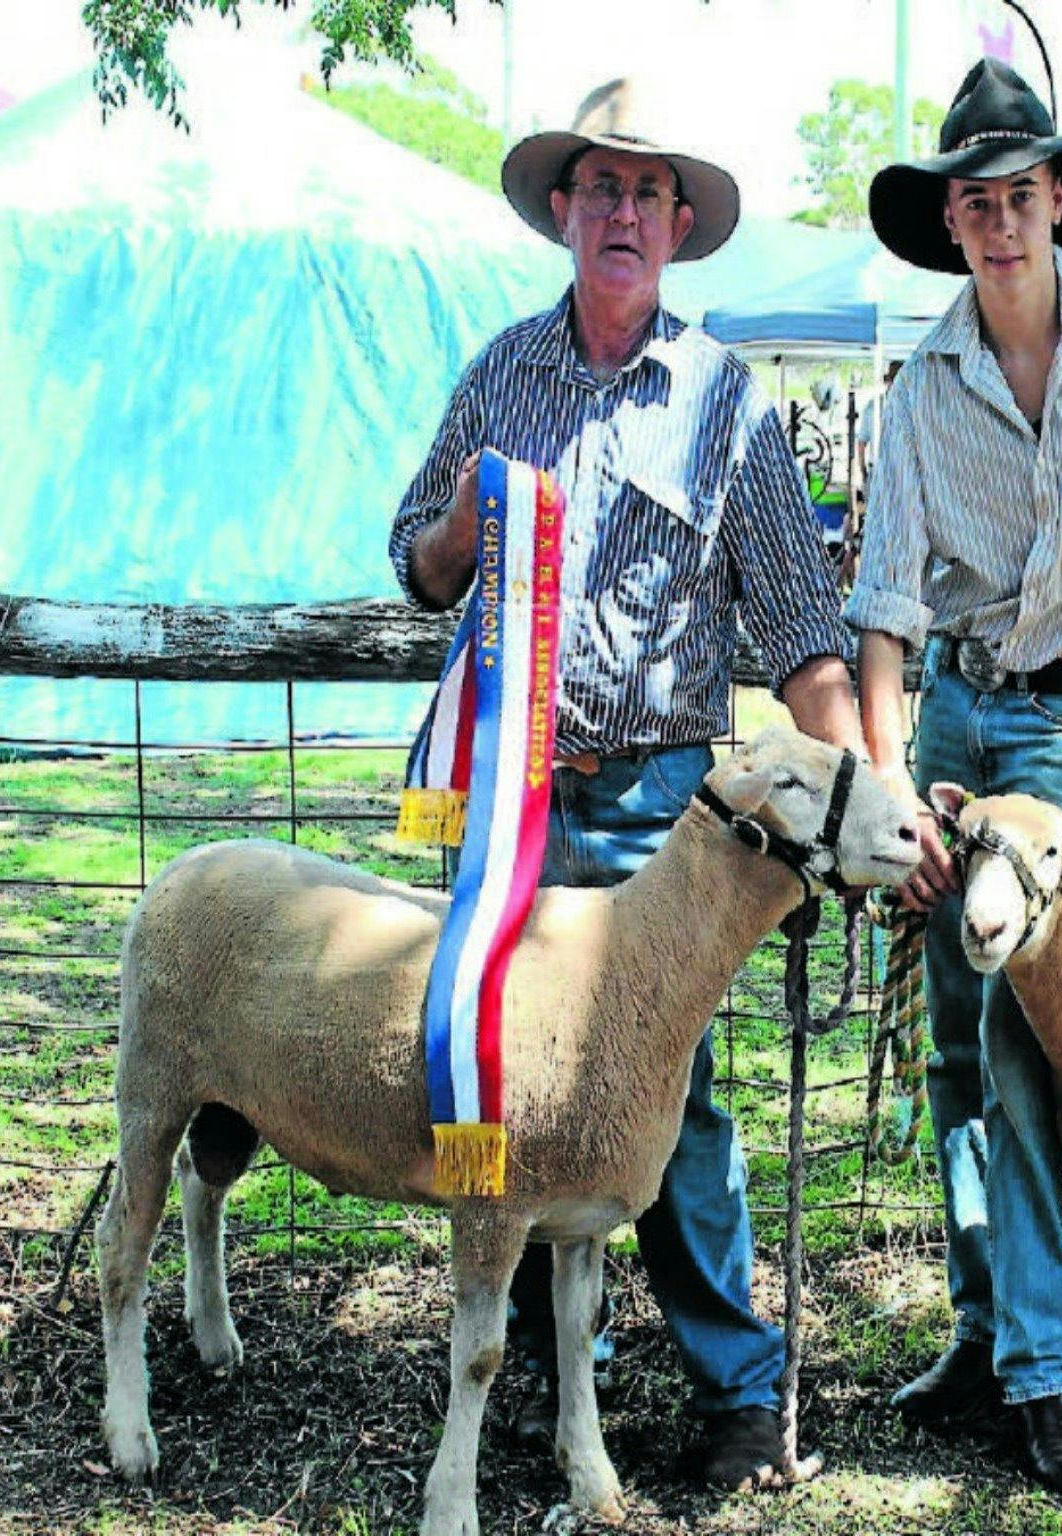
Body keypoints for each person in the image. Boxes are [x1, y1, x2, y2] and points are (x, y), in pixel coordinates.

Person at [389, 78, 864, 1491]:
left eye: (647, 193)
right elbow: (414, 564)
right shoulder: (496, 375)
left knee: (676, 1100)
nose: (620, 212)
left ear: (675, 227)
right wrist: (463, 526)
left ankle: (733, 1388)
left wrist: (861, 797)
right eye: (599, 186)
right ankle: (541, 1377)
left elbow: (796, 629)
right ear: (560, 209)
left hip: (664, 801)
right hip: (514, 798)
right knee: (501, 1077)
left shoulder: (725, 402)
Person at [844, 58, 1062, 1501]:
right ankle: (986, 1329)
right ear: (949, 219)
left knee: (1022, 1049)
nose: (996, 221)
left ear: (1058, 201)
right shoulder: (922, 381)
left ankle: (1042, 1372)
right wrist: (882, 784)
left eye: (1016, 194)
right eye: (970, 200)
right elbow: (883, 602)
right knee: (949, 1053)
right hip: (950, 738)